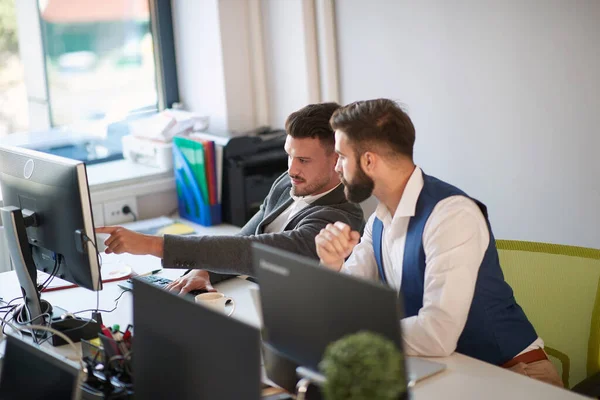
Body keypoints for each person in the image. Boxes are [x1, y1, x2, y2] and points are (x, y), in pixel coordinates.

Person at [315, 98, 562, 387]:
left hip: (512, 374)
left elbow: (437, 333)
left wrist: (357, 326)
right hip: (445, 370)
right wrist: (331, 265)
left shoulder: (451, 215)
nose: (337, 168)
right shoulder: (379, 220)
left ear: (369, 161)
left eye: (341, 156)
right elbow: (345, 301)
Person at [97, 102, 365, 293]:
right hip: (246, 293)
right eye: (289, 155)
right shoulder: (289, 182)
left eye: (304, 160)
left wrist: (151, 245)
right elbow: (246, 238)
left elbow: (253, 252)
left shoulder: (339, 219)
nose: (292, 169)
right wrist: (203, 271)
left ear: (337, 160)